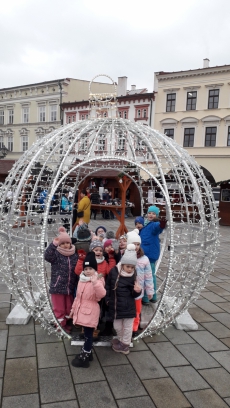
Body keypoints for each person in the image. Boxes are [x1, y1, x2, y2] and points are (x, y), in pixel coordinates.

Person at [70, 252, 106, 368]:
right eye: (86, 268)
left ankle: (85, 355)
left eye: (90, 268)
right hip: (81, 310)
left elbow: (101, 294)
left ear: (95, 269)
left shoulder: (98, 280)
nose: (88, 271)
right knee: (86, 334)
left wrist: (95, 282)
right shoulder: (82, 279)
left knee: (89, 335)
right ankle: (88, 352)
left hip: (91, 311)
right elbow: (78, 297)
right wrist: (73, 310)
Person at [105, 244, 142, 355]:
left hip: (128, 307)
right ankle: (122, 341)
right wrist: (107, 299)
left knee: (127, 327)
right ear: (123, 264)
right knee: (117, 326)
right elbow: (108, 286)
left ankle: (125, 345)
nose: (130, 269)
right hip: (116, 306)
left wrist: (137, 291)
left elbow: (134, 294)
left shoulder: (134, 275)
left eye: (132, 267)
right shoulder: (114, 271)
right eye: (128, 267)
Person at [44, 227, 78, 333]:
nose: (65, 245)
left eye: (67, 243)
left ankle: (66, 323)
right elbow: (47, 255)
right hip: (57, 287)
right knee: (60, 309)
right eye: (62, 243)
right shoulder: (56, 254)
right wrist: (53, 244)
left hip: (69, 287)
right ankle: (60, 326)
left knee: (68, 307)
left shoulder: (74, 254)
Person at [126, 230, 154, 337]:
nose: (136, 246)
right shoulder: (126, 257)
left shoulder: (144, 259)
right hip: (127, 291)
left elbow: (148, 276)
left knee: (137, 311)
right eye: (134, 244)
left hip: (139, 291)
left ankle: (134, 328)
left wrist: (150, 290)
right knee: (127, 310)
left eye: (138, 244)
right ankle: (127, 327)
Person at [139, 205, 167, 305]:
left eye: (153, 213)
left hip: (150, 254)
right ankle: (148, 297)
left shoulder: (154, 224)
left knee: (149, 275)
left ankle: (150, 297)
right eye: (150, 213)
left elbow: (158, 228)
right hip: (143, 253)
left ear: (156, 215)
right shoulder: (145, 224)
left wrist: (162, 224)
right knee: (144, 275)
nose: (151, 215)